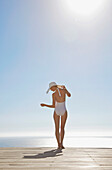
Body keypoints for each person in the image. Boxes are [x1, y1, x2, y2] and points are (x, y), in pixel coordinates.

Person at [40, 82, 71, 149]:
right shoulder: (53, 94)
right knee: (57, 128)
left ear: (54, 86)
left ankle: (61, 143)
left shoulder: (63, 90)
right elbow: (54, 105)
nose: (51, 90)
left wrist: (66, 89)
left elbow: (69, 95)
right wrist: (45, 105)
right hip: (57, 111)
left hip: (63, 111)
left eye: (51, 88)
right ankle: (59, 144)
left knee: (62, 128)